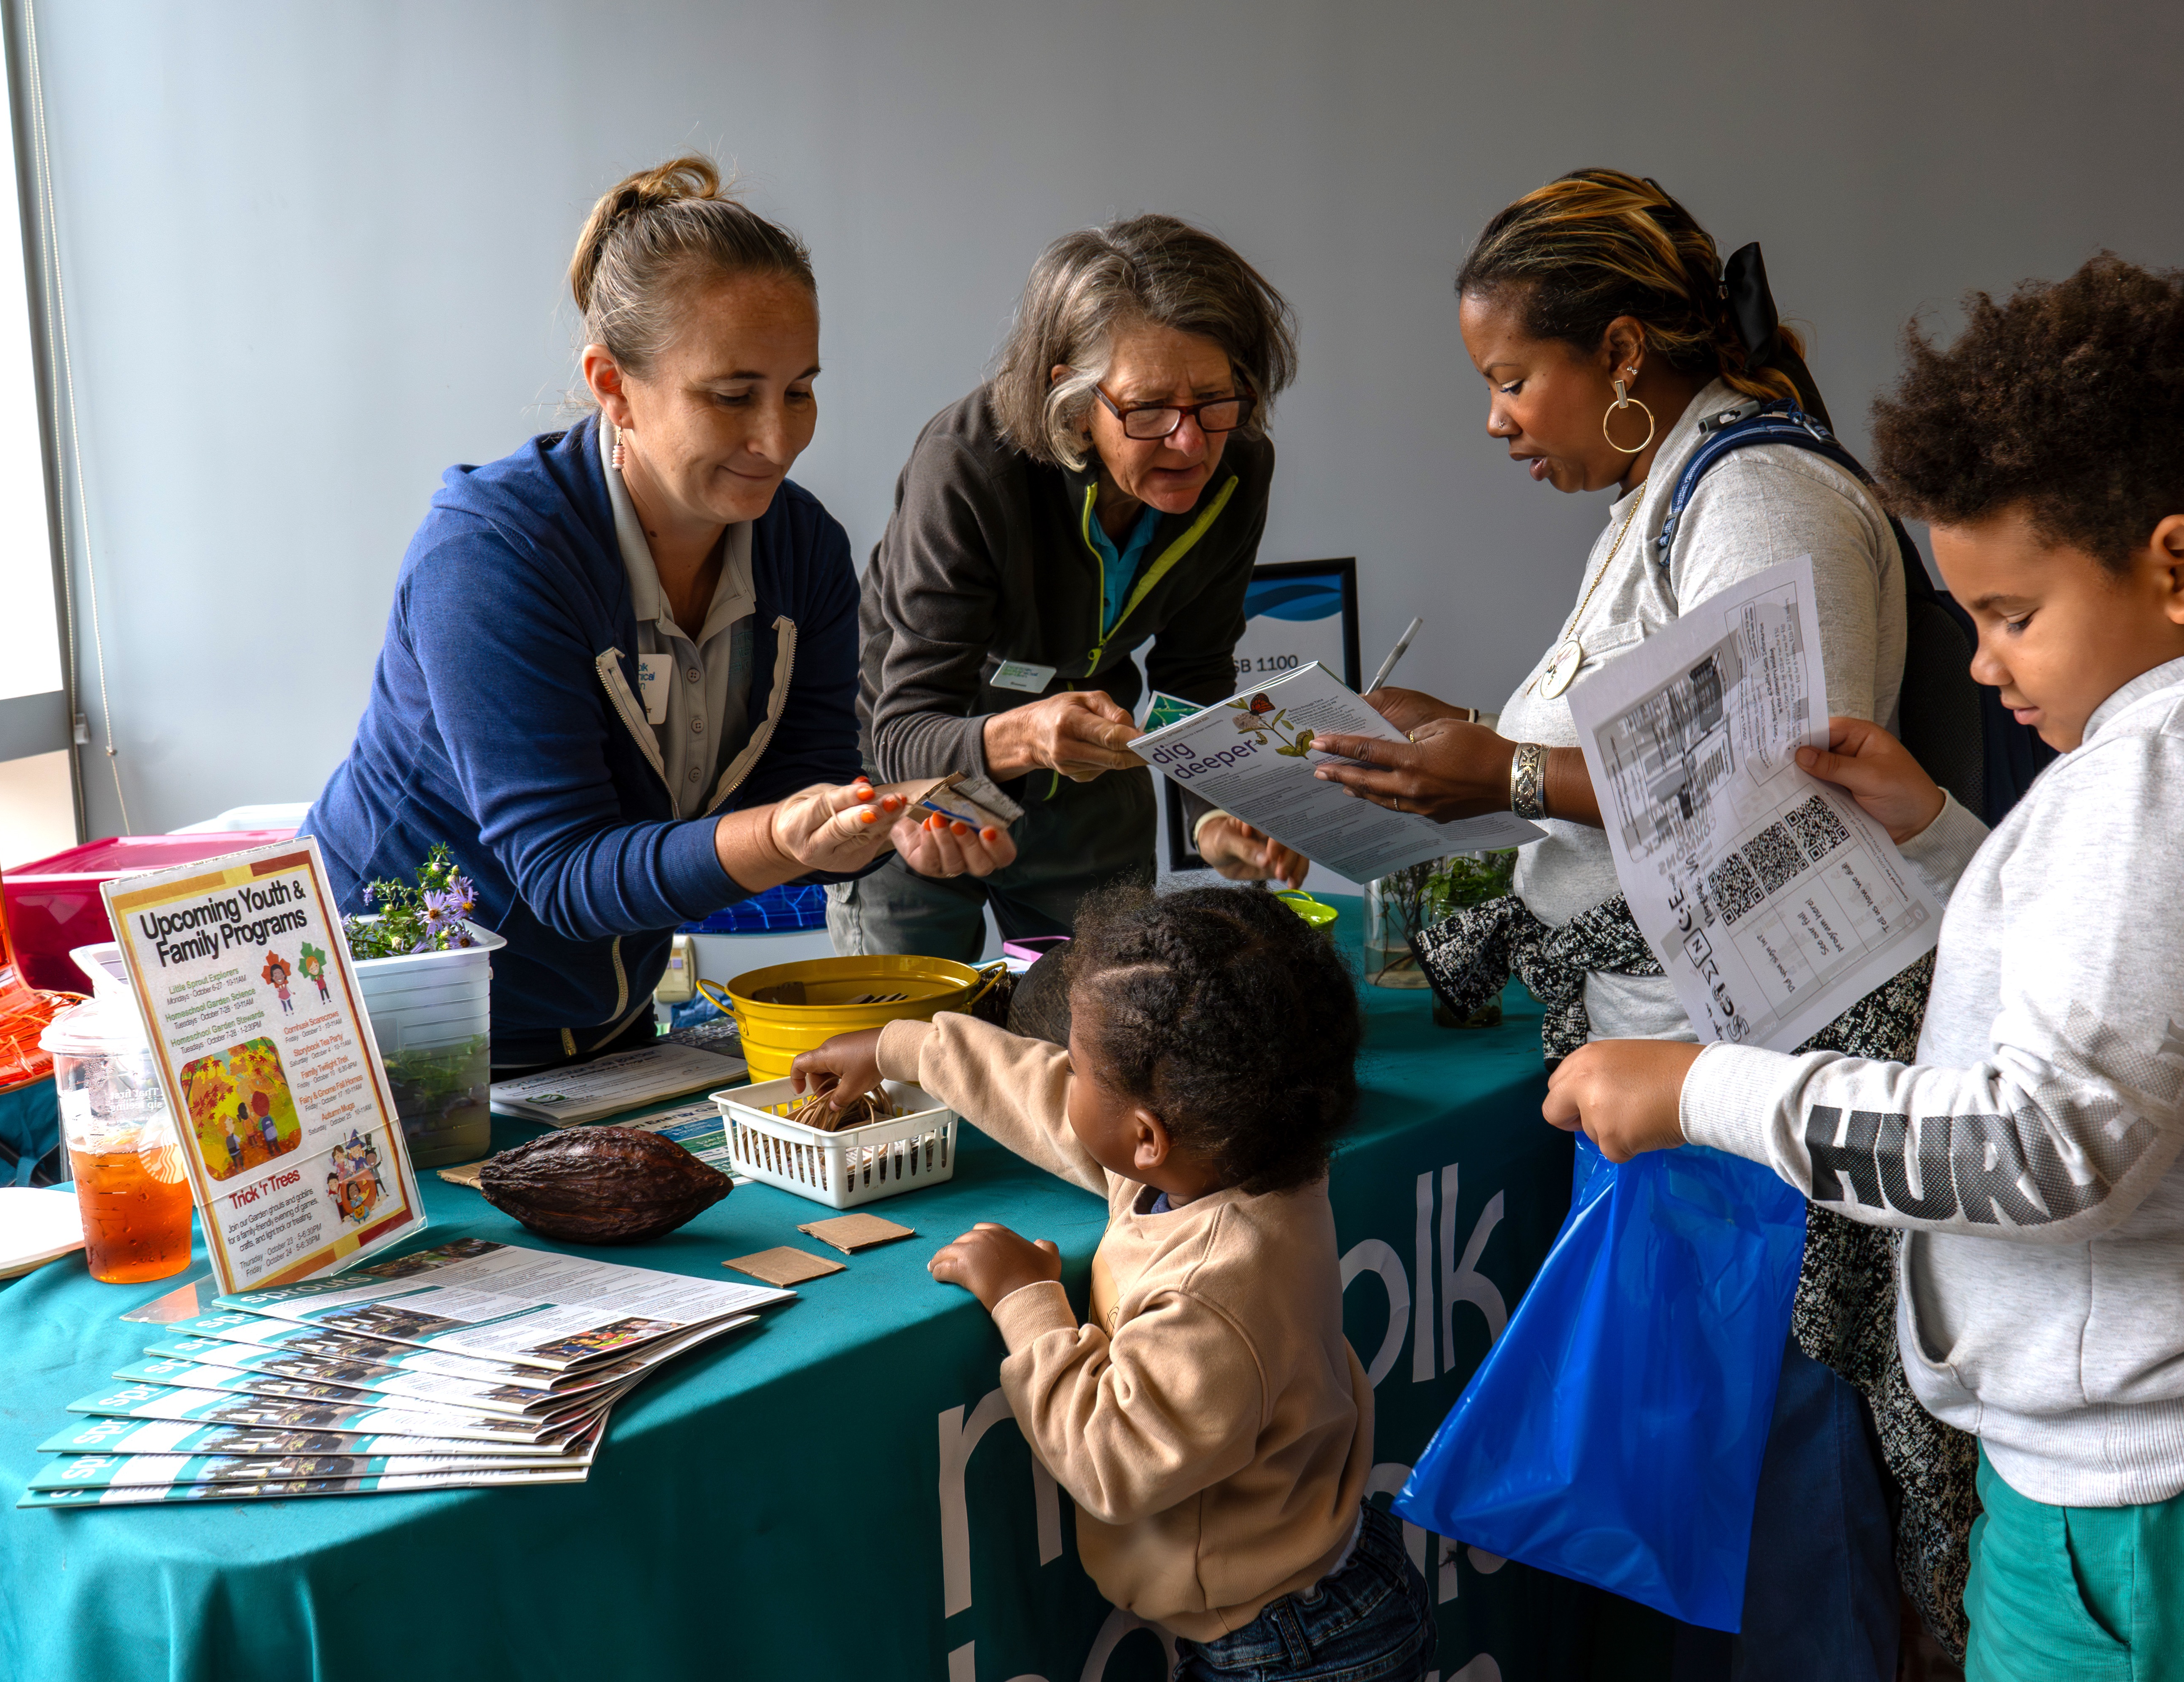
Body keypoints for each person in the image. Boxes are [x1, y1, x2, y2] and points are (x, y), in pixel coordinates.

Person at [1553, 254, 2184, 1680]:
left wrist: (1705, 1091)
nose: (1979, 664)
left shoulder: (2170, 782)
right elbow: (2150, 991)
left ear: (2183, 568)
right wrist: (1946, 840)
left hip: (2155, 1492)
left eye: (2013, 615)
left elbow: (2044, 1143)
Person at [1309, 169, 1936, 1668]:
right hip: (1675, 1071)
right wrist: (1451, 745)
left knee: (1778, 1507)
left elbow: (1778, 785)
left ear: (1626, 354)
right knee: (1710, 1500)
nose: (1495, 420)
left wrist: (1503, 771)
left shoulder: (1761, 499)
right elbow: (1649, 761)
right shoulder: (1663, 498)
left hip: (1746, 1080)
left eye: (1512, 378)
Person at [305, 157, 1010, 1070]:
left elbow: (801, 793)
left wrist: (874, 833)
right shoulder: (490, 557)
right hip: (390, 1026)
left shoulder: (803, 549)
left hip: (601, 1023)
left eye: (800, 390)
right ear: (613, 386)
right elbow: (565, 873)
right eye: (732, 396)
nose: (778, 439)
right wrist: (788, 834)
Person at [793, 886, 1433, 1679]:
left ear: (1147, 1135)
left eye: (1081, 1068)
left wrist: (1026, 1301)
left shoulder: (1210, 1288)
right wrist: (904, 1049)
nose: (1062, 1076)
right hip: (1316, 1588)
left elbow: (1111, 1461)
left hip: (1290, 1647)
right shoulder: (1243, 1155)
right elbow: (1044, 1098)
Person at [835, 216, 1307, 964]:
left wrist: (1213, 813)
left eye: (1216, 399)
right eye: (1148, 408)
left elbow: (1194, 669)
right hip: (923, 795)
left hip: (1090, 798)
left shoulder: (1240, 466)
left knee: (1108, 1024)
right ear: (1073, 401)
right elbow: (903, 731)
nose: (1190, 442)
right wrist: (1027, 735)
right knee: (913, 1030)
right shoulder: (967, 466)